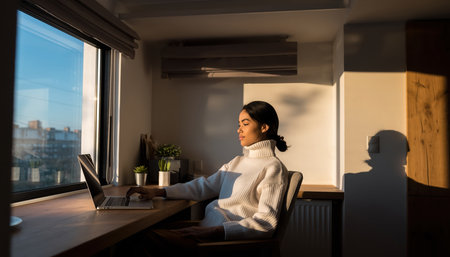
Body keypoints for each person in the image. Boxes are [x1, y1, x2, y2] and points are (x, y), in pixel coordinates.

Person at [126, 100, 289, 256]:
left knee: (142, 240)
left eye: (245, 124)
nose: (239, 130)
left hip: (218, 242)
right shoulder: (237, 162)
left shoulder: (273, 168)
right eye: (238, 125)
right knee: (139, 233)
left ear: (264, 127)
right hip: (207, 229)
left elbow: (266, 223)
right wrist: (159, 193)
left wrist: (214, 232)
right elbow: (203, 187)